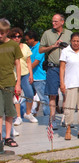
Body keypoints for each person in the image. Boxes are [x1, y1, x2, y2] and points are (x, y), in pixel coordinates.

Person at [39, 13, 73, 129]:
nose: (53, 23)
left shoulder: (69, 34)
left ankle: (66, 118)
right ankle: (52, 120)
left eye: (56, 21)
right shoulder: (47, 33)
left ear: (62, 22)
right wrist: (53, 46)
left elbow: (75, 49)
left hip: (66, 68)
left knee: (67, 94)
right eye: (52, 21)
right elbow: (40, 50)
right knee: (52, 95)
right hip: (52, 67)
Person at [0, 18, 22, 148]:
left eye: (2, 33)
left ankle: (8, 137)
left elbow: (18, 64)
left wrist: (18, 83)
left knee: (9, 111)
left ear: (7, 32)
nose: (0, 35)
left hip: (9, 82)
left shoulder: (13, 45)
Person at [9, 27, 37, 125]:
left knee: (29, 94)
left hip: (25, 73)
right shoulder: (9, 47)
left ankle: (28, 113)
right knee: (16, 95)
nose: (17, 38)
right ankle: (18, 116)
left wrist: (31, 74)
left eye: (19, 36)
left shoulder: (25, 46)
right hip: (14, 74)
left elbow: (29, 61)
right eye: (14, 36)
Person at [24, 30, 50, 117]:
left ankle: (47, 116)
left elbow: (36, 62)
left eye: (27, 40)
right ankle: (29, 113)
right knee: (28, 96)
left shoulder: (40, 47)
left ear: (33, 39)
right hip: (30, 76)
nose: (26, 42)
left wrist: (25, 70)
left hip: (39, 77)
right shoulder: (29, 48)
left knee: (43, 98)